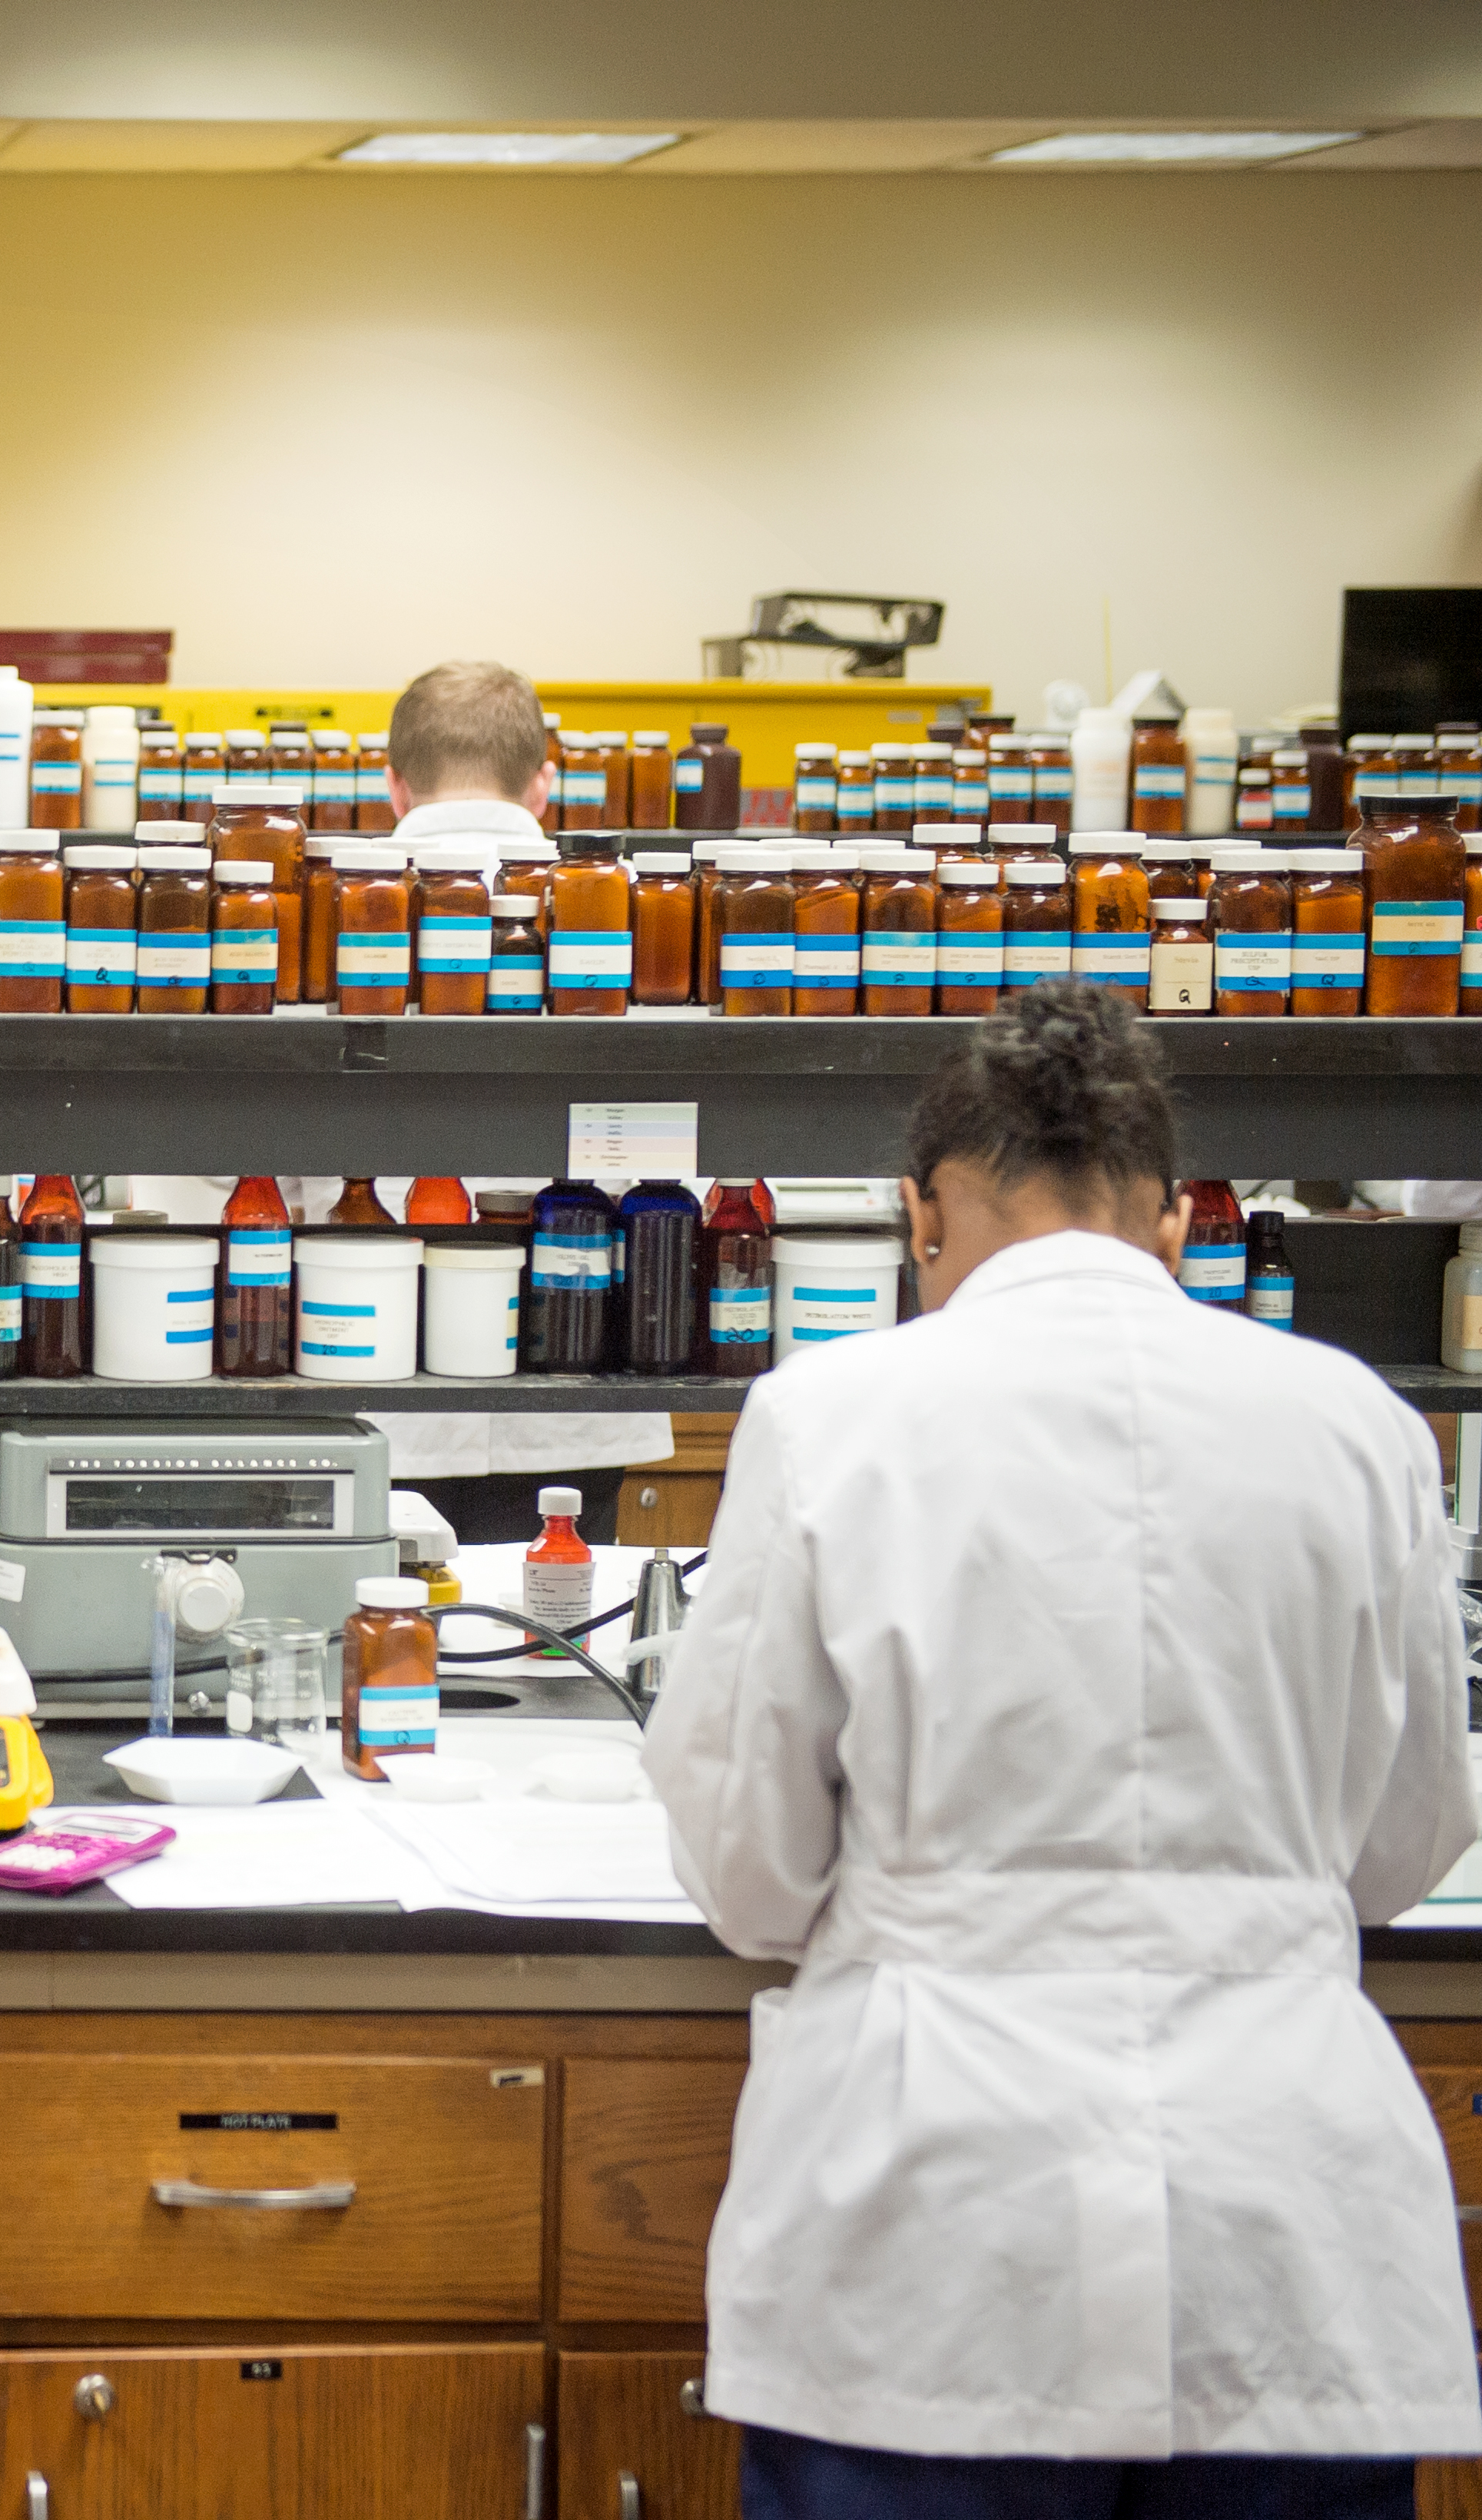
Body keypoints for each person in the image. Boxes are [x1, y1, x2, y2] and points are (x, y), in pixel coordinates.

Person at [642, 983, 1477, 2515]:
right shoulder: (1358, 1424)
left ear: (920, 1214)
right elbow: (1405, 1839)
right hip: (1280, 2238)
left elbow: (749, 1871)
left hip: (939, 2242)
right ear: (1167, 1220)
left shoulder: (831, 1413)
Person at [352, 659, 673, 1541]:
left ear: (391, 782)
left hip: (364, 1380)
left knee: (380, 1653)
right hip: (570, 1389)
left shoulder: (344, 904)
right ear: (544, 782)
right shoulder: (629, 911)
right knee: (559, 1653)